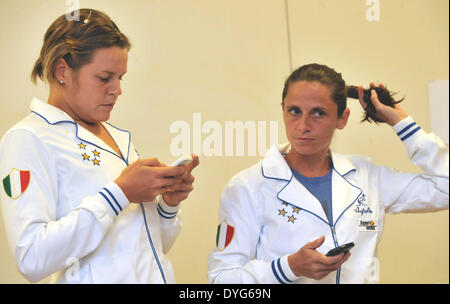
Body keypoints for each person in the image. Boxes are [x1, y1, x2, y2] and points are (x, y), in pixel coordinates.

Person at [0, 9, 199, 283]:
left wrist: (168, 205)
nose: (117, 89)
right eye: (105, 77)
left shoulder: (118, 138)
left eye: (121, 77)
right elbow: (32, 258)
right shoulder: (28, 138)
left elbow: (149, 249)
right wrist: (119, 193)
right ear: (63, 71)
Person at [208, 63, 448, 284]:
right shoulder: (247, 186)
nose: (303, 125)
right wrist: (288, 267)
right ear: (282, 110)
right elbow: (222, 279)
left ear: (341, 119)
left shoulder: (367, 177)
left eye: (318, 113)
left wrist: (401, 123)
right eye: (294, 111)